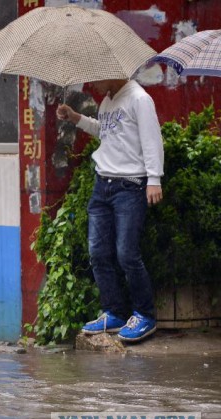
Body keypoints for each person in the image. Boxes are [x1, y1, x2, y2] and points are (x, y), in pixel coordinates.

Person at [56, 78, 164, 342]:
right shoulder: (107, 101)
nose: (93, 83)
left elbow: (152, 140)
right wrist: (76, 117)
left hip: (130, 186)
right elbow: (105, 131)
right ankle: (114, 312)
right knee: (98, 253)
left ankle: (145, 315)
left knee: (127, 253)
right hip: (102, 184)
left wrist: (154, 179)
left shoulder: (139, 99)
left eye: (97, 77)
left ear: (113, 72)